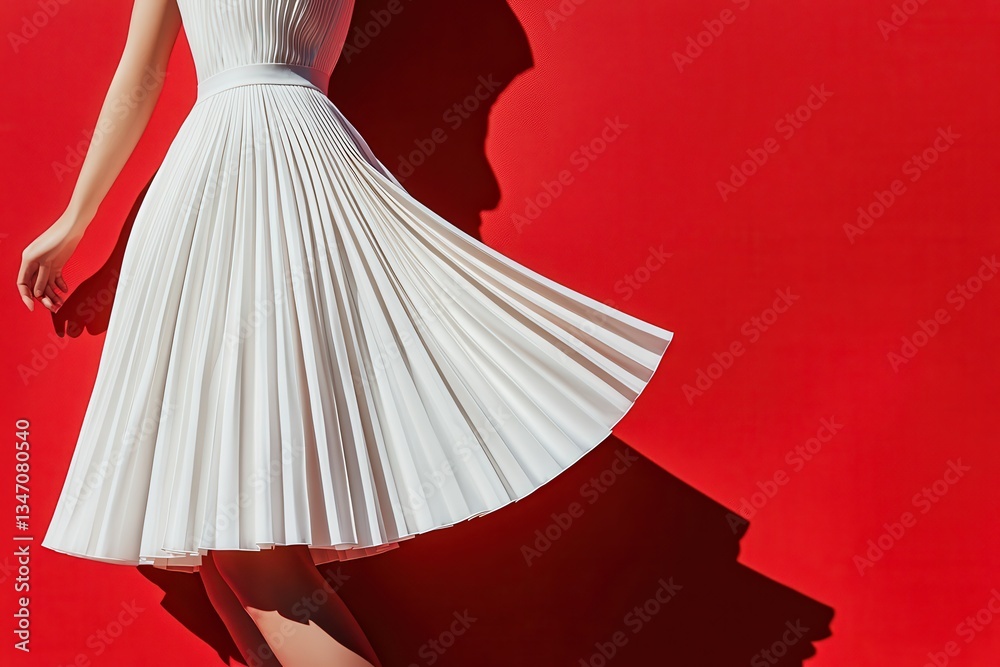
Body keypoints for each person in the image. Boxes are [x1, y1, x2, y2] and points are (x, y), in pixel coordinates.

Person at [17, 1, 673, 664]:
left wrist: (76, 221)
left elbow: (142, 77)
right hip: (286, 169)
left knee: (250, 550)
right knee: (227, 553)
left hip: (237, 176)